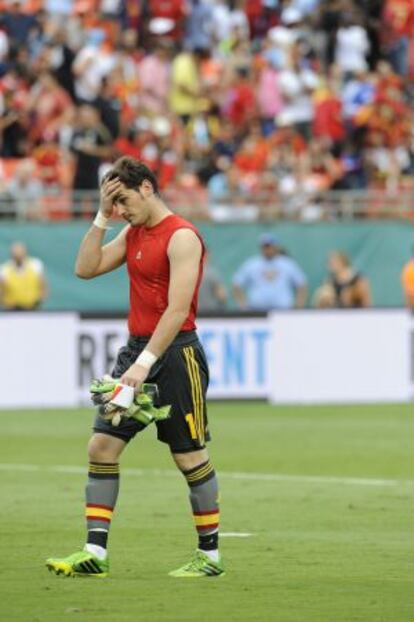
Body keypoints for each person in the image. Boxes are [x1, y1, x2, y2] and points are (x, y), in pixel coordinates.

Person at [46, 156, 223, 578]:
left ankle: (210, 557)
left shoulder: (182, 237)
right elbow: (84, 268)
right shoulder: (131, 230)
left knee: (189, 456)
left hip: (177, 356)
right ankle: (95, 553)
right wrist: (101, 217)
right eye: (115, 204)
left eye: (123, 200)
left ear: (146, 187)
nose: (121, 209)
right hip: (137, 351)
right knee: (101, 447)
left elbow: (178, 309)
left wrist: (143, 365)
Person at [232, 233, 308, 310]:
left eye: (269, 246)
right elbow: (237, 284)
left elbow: (301, 285)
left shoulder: (287, 264)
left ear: (276, 247)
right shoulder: (252, 264)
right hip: (257, 311)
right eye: (265, 246)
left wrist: (298, 306)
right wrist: (243, 305)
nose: (267, 249)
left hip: (283, 311)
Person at [0, 241, 48, 310]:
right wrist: (4, 302)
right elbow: (1, 289)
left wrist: (40, 300)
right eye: (15, 252)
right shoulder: (4, 269)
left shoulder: (35, 265)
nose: (18, 254)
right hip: (12, 309)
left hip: (32, 308)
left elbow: (43, 285)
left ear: (25, 252)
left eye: (20, 251)